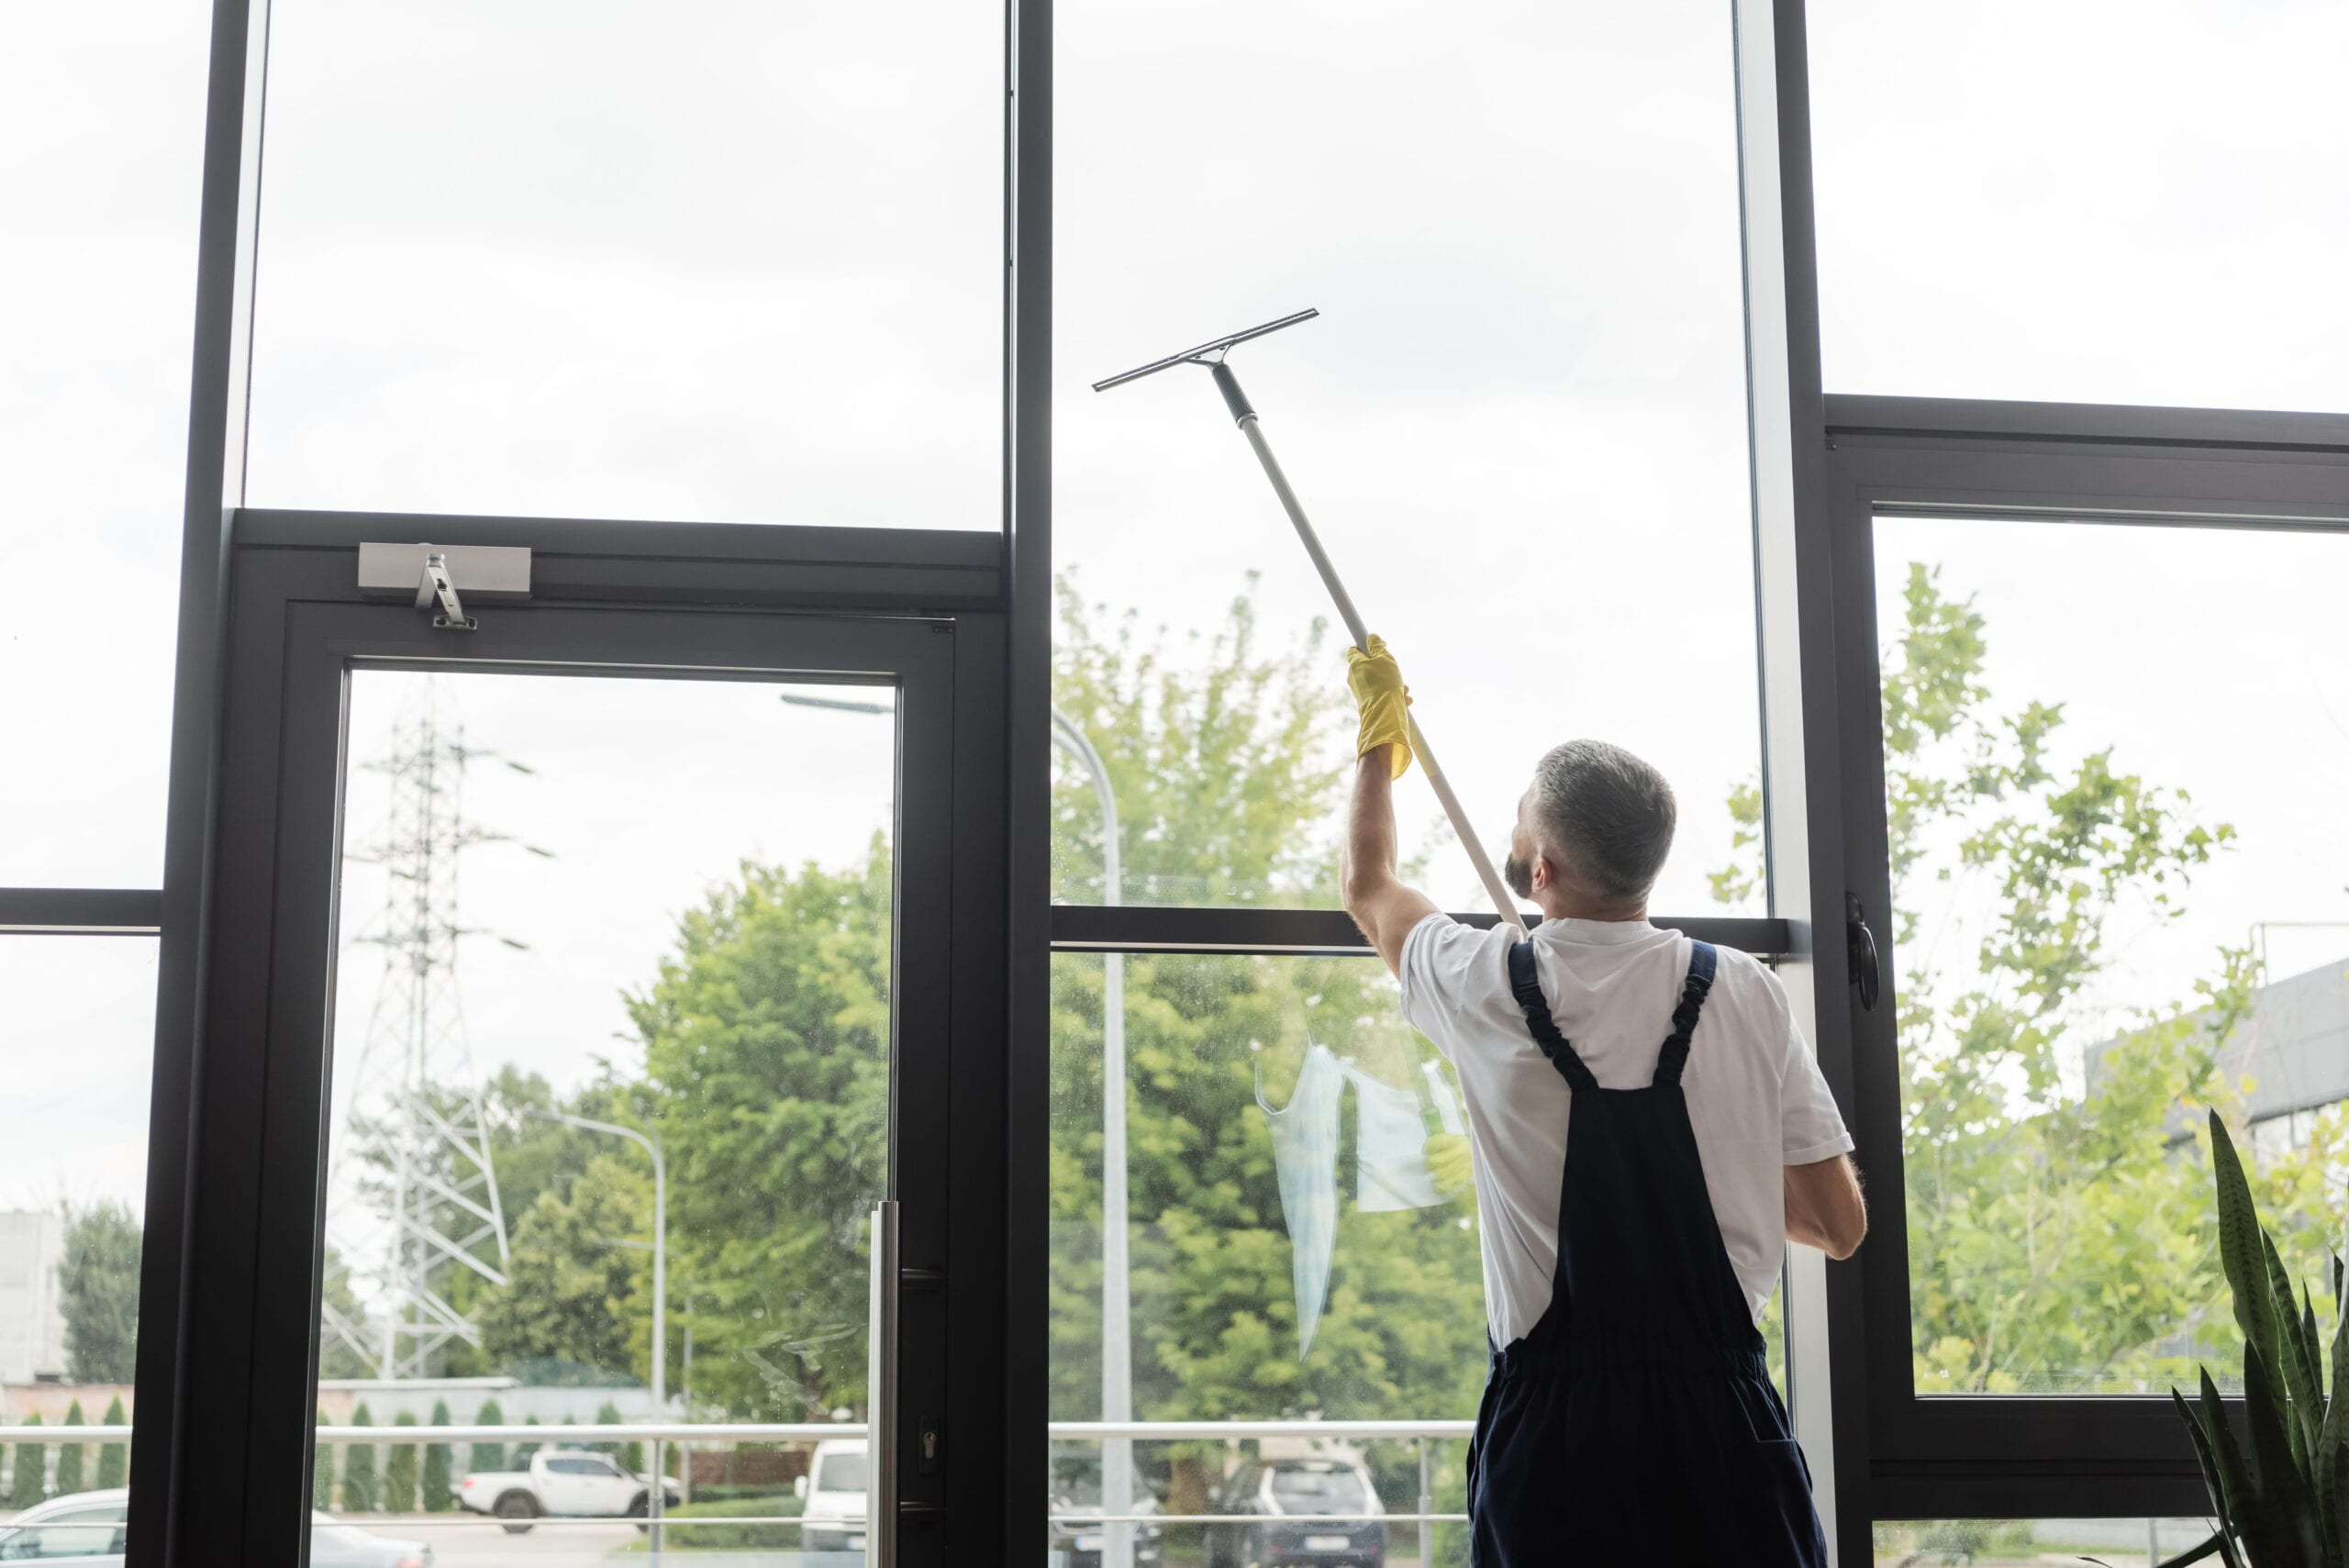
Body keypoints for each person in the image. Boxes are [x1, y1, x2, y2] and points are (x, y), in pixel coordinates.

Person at [1338, 635, 1865, 1565]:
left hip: (1557, 1446)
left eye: (1518, 822)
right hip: (1728, 1439)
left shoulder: (1485, 977)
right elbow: (1837, 1222)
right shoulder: (1744, 989)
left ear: (1539, 868)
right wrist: (1722, 1173)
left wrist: (1378, 744)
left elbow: (1370, 886)